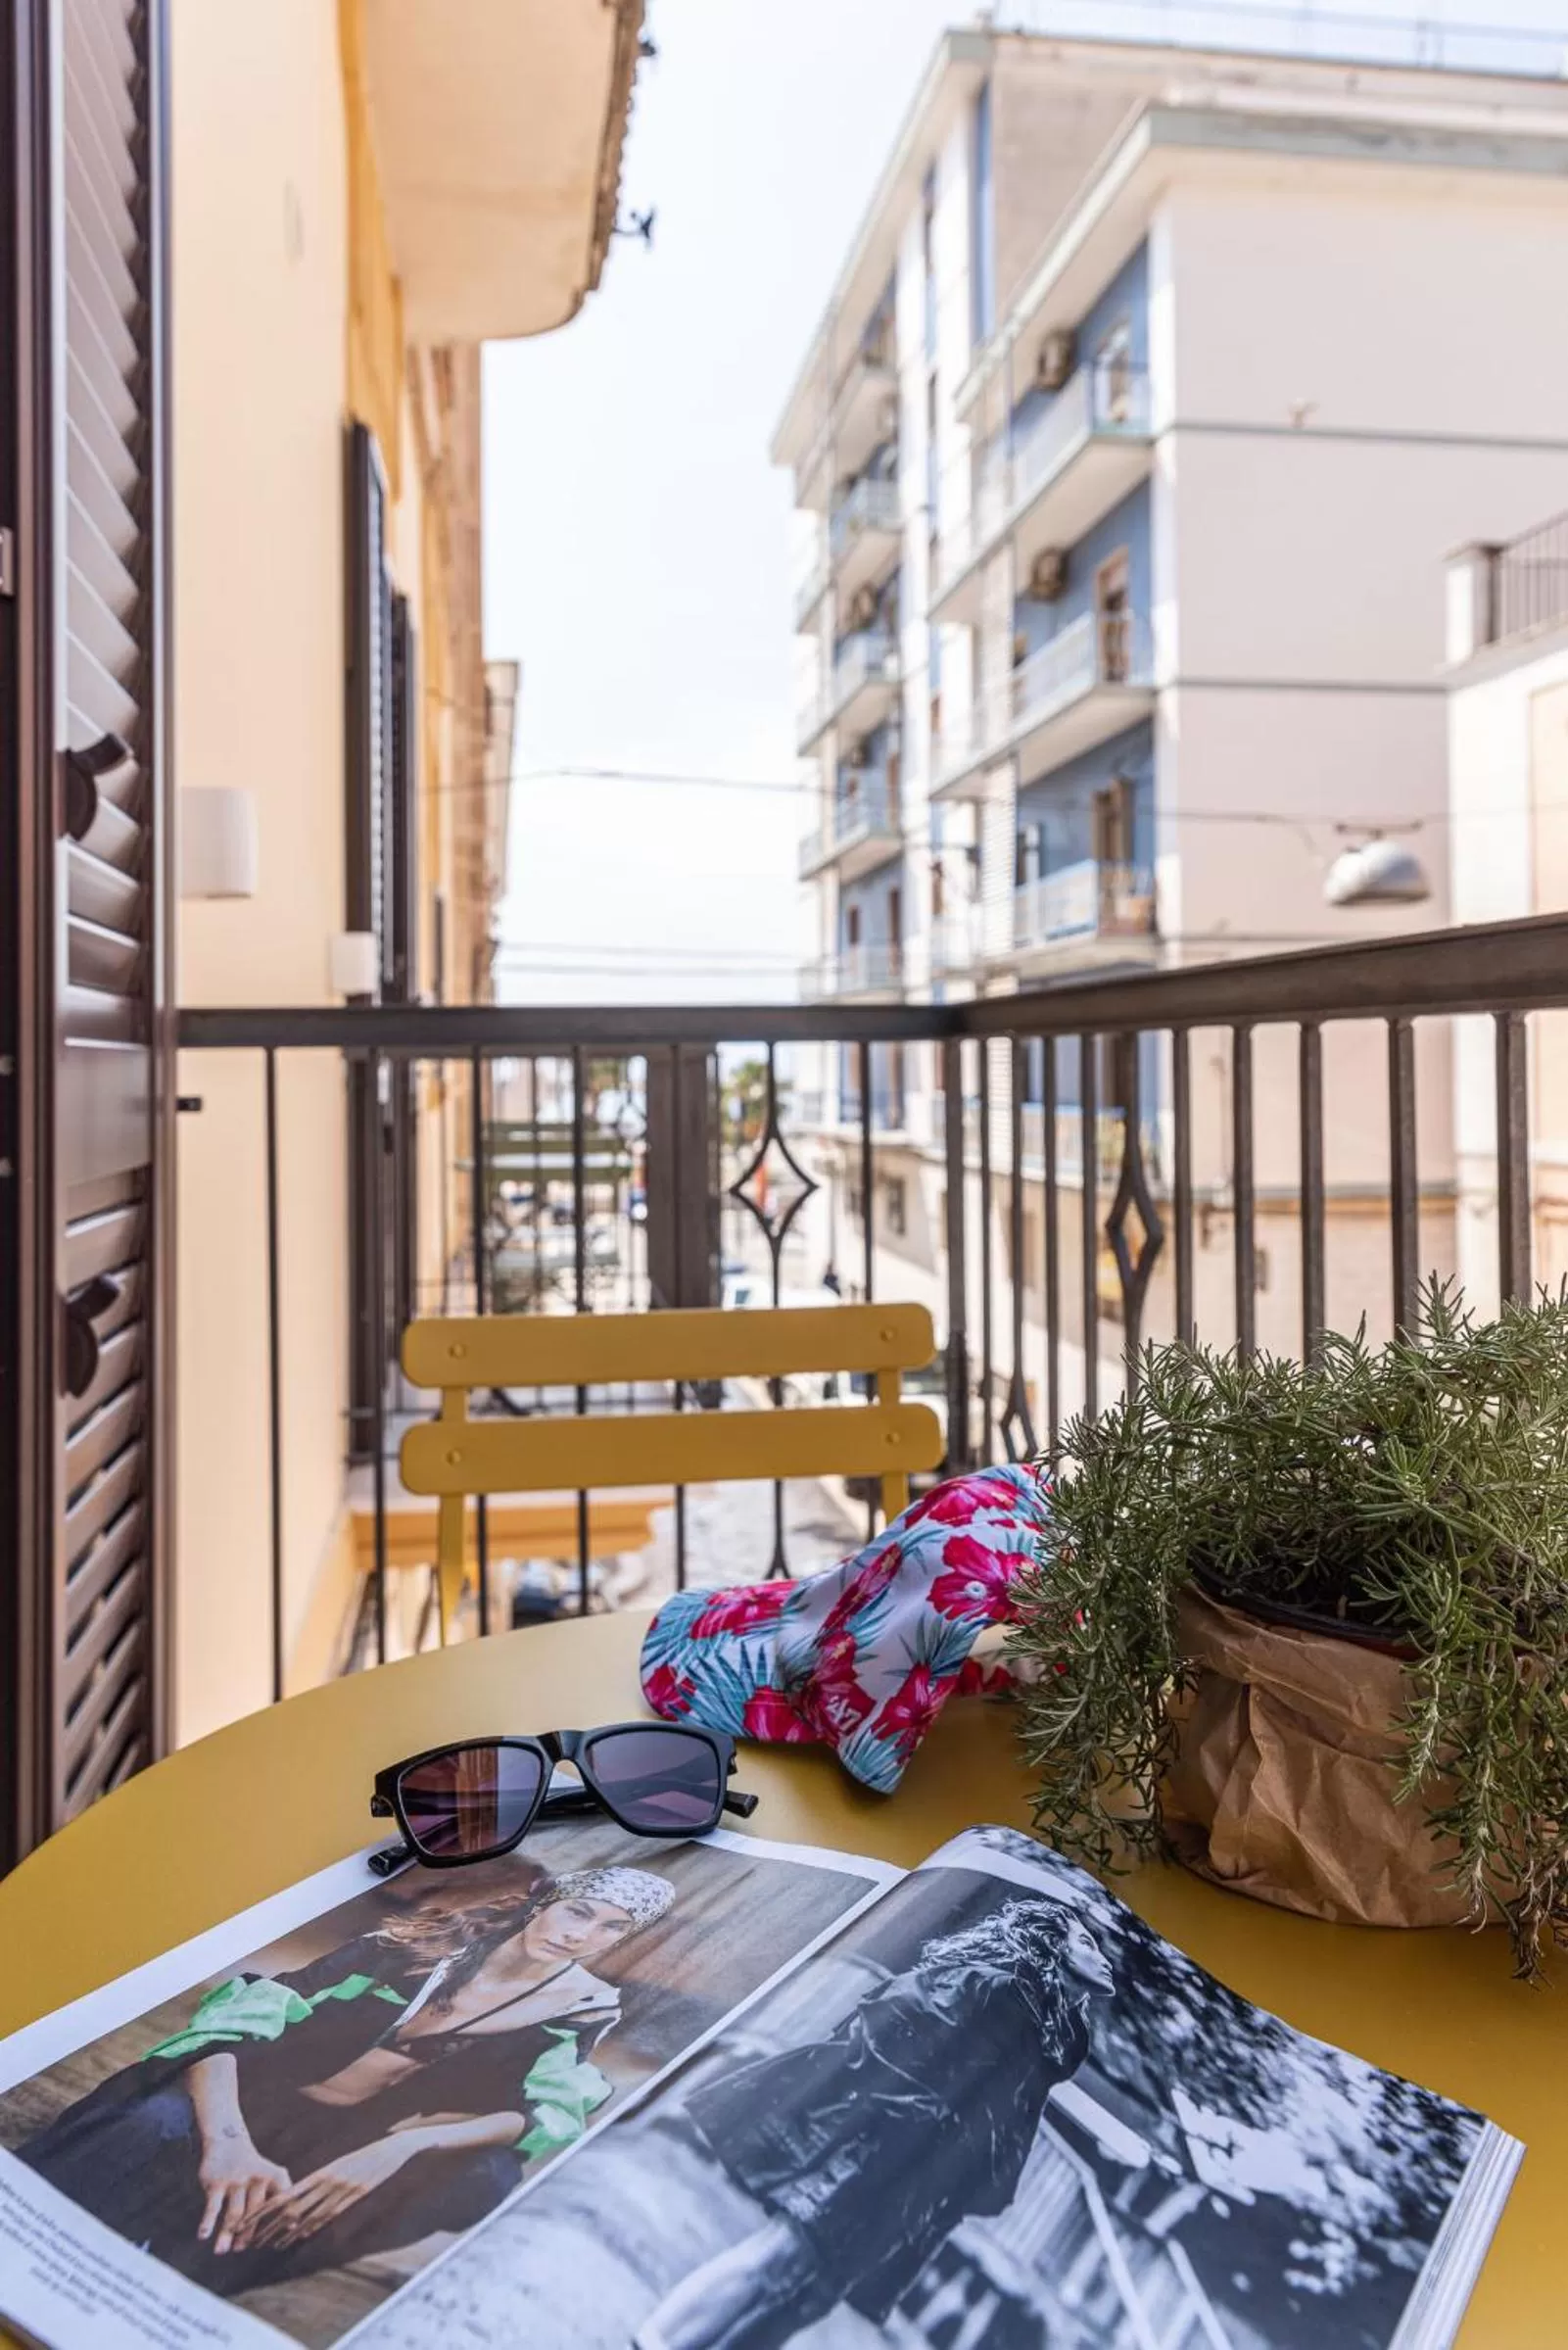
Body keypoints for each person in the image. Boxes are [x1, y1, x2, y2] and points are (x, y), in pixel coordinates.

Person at [21, 1864, 675, 2296]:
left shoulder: (583, 2003)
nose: (582, 1935)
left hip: (350, 2136)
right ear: (547, 1901)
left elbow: (546, 2110)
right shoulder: (417, 1944)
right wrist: (226, 2141)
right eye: (579, 1911)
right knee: (152, 2122)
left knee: (489, 2174)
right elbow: (237, 2019)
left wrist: (402, 2145)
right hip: (248, 2093)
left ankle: (212, 2268)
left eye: (613, 1927)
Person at [640, 1898, 1114, 2350]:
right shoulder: (991, 1984)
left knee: (815, 2298)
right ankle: (653, 2342)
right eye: (1087, 1942)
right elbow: (893, 2020)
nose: (1103, 1957)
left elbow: (1012, 2112)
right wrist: (910, 2113)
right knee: (783, 2254)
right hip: (881, 2146)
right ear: (1051, 1943)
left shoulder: (1063, 2039)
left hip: (926, 2180)